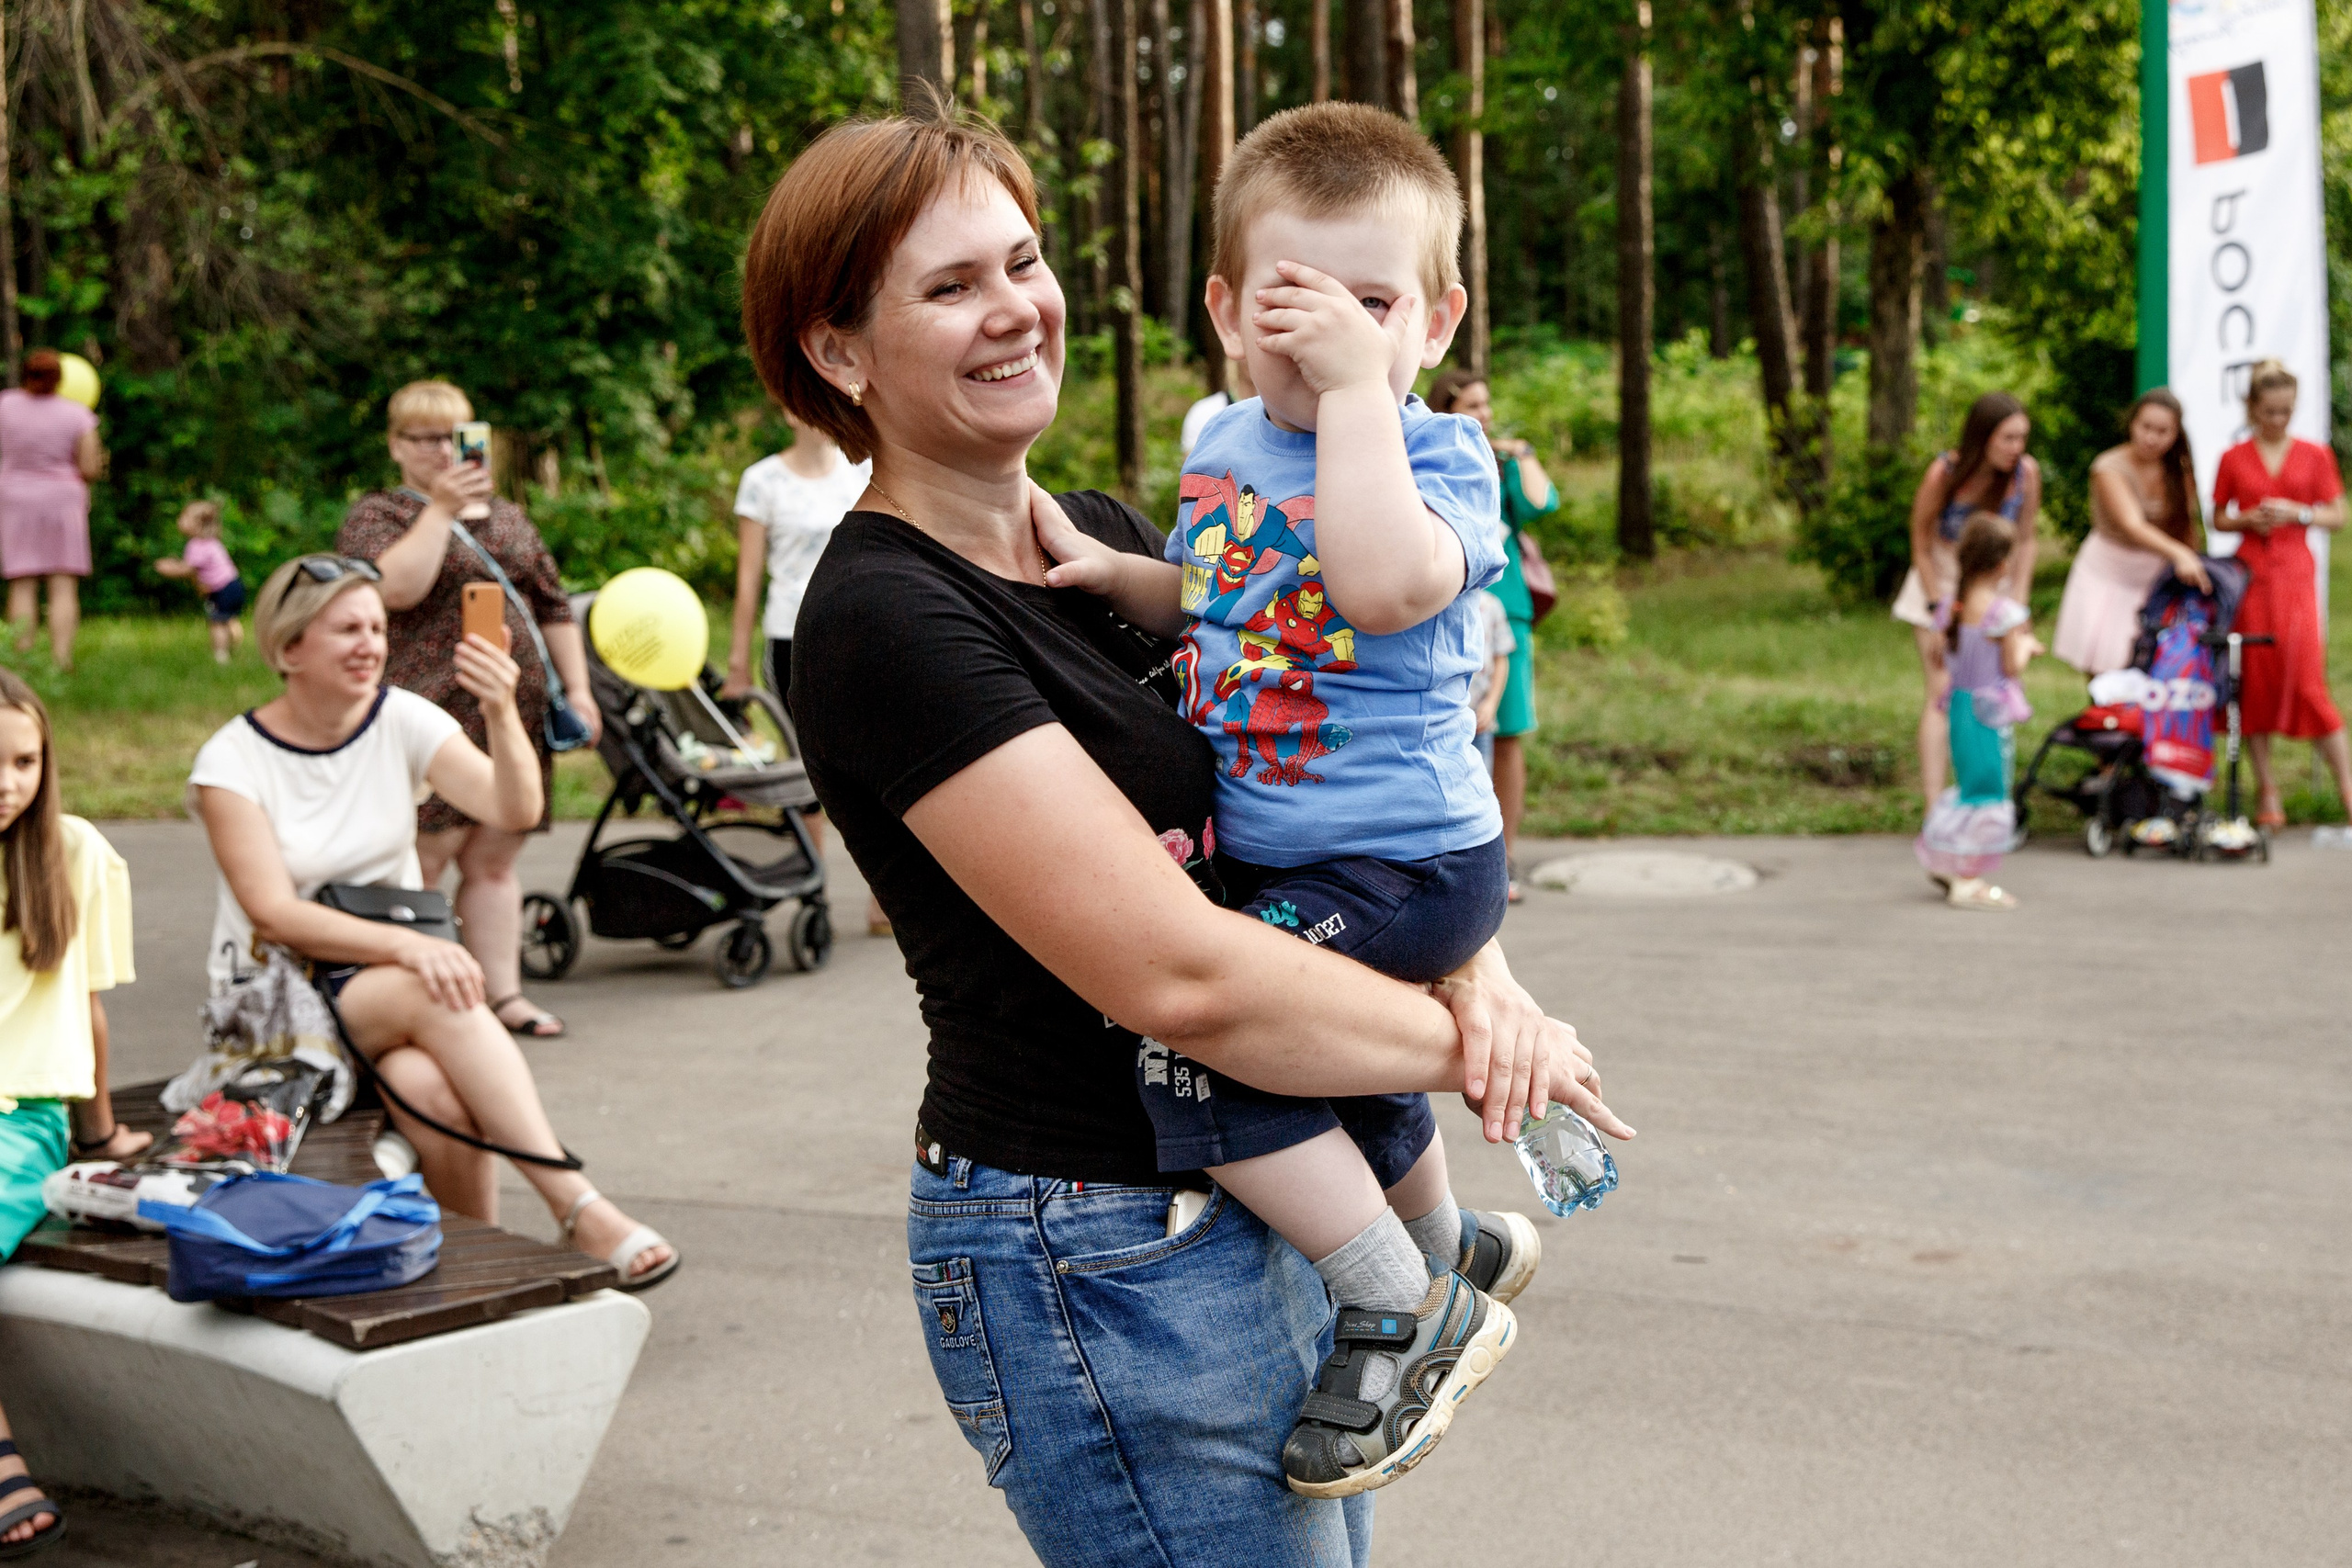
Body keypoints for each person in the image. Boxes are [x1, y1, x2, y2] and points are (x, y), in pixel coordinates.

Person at [743, 103, 1625, 1562]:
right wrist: (1477, 1048)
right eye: (949, 286)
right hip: (1090, 1245)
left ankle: (1417, 1261)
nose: (1015, 308)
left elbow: (1323, 767)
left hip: (1250, 1188)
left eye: (1021, 259)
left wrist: (1480, 967)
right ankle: (1423, 1266)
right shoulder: (883, 618)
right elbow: (1182, 980)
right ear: (839, 352)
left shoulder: (1097, 533)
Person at [1038, 100, 1547, 1498]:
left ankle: (1401, 1298)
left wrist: (1363, 394)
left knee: (1196, 1055)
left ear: (1436, 321)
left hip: (1406, 860)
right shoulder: (1218, 437)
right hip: (1295, 855)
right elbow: (1233, 597)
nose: (1328, 326)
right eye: (1292, 298)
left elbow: (1382, 585)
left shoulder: (1440, 459)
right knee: (1318, 1056)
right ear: (1225, 309)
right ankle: (1453, 1244)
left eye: (1372, 300)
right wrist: (1122, 577)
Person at [189, 556, 675, 1287]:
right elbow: (274, 911)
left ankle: (476, 1261)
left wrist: (504, 710)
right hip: (277, 998)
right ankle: (575, 1202)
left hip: (388, 990)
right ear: (289, 649)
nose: (370, 644)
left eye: (378, 628)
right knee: (439, 989)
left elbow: (515, 810)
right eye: (347, 628)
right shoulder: (233, 759)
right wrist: (410, 951)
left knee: (435, 1091)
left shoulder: (403, 719)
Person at [339, 382, 600, 1038]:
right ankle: (416, 1000)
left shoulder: (507, 516)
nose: (439, 451)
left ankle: (503, 994)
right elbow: (392, 588)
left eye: (454, 437)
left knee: (493, 862)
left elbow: (552, 602)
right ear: (397, 445)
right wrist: (441, 511)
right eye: (423, 438)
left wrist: (579, 688)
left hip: (512, 715)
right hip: (429, 714)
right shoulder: (379, 516)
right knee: (421, 859)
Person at [0, 665, 142, 1558]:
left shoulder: (75, 851)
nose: (7, 783)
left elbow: (86, 1010)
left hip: (18, 1118)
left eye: (23, 761)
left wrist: (99, 1135)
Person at [719, 409, 888, 935]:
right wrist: (737, 662)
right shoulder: (762, 480)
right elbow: (748, 582)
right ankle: (815, 891)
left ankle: (885, 902)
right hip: (791, 636)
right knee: (810, 765)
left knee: (879, 763)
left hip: (859, 629)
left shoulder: (862, 470)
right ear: (790, 412)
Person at [2208, 360, 2352, 840]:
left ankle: (2347, 788)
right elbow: (2219, 518)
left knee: (2306, 675)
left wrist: (2300, 512)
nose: (2277, 420)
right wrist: (2247, 519)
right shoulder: (2234, 457)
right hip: (2251, 573)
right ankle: (2267, 789)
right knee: (2254, 677)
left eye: (2286, 411)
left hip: (2294, 571)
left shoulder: (2314, 455)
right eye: (2269, 411)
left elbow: (2338, 514)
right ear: (2252, 407)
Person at [1427, 367, 1554, 901]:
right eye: (1472, 406)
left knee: (1507, 730)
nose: (1483, 415)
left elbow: (1543, 503)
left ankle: (1503, 860)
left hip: (1505, 612)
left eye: (1486, 405)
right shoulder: (1427, 456)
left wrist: (1520, 450)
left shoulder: (1499, 463)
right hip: (1445, 607)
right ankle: (1454, 860)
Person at [1895, 393, 2041, 805]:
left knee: (1992, 691)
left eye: (2022, 438)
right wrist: (1940, 612)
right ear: (1983, 437)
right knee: (1943, 690)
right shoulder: (1945, 473)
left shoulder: (2025, 474)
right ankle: (1933, 805)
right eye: (2007, 438)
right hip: (1940, 582)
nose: (2017, 448)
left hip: (1994, 586)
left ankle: (1984, 798)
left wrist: (2020, 605)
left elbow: (2027, 540)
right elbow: (1921, 544)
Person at [1916, 513, 2042, 910]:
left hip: (1959, 708)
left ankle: (1946, 862)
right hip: (1989, 714)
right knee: (1987, 791)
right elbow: (2011, 667)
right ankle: (1968, 880)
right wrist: (2025, 647)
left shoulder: (1950, 610)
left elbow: (1940, 657)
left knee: (1969, 787)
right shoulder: (2003, 615)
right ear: (2003, 565)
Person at [2052, 389, 2208, 676]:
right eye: (2146, 427)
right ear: (2131, 424)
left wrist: (2192, 564)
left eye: (2163, 431)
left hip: (2152, 577)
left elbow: (2187, 527)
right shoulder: (2108, 467)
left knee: (2147, 663)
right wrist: (2179, 553)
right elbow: (2131, 525)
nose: (2152, 437)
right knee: (2105, 663)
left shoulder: (2179, 470)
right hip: (2108, 572)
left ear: (2176, 433)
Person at [0, 350, 105, 672]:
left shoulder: (4, 405)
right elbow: (89, 467)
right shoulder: (77, 415)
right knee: (62, 585)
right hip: (63, 503)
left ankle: (21, 660)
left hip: (16, 501)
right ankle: (61, 660)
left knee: (22, 582)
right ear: (61, 379)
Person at [153, 500, 248, 664]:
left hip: (222, 588)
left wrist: (167, 568)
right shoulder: (211, 543)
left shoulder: (197, 545)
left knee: (217, 622)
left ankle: (221, 656)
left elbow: (188, 569)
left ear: (197, 524)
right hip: (233, 584)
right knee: (227, 618)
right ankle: (234, 640)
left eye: (184, 516)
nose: (180, 520)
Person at [1468, 591, 1514, 772]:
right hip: (1448, 720)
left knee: (1482, 779)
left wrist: (1491, 703)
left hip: (1480, 719)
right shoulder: (1438, 602)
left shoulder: (1491, 605)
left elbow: (1501, 657)